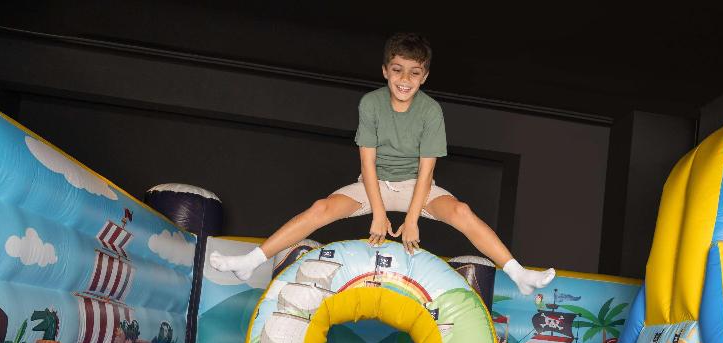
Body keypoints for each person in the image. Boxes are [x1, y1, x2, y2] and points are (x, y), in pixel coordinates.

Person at [209, 32, 555, 295]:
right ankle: (251, 260)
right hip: (372, 183)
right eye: (398, 70)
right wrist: (377, 212)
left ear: (424, 76)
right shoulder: (371, 104)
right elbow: (368, 163)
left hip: (417, 187)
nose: (405, 80)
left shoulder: (431, 112)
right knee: (321, 208)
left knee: (461, 212)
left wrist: (412, 219)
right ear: (386, 70)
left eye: (414, 73)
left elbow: (427, 171)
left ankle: (517, 273)